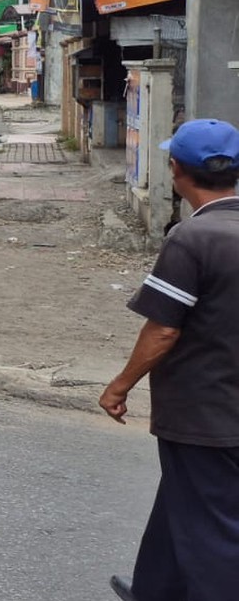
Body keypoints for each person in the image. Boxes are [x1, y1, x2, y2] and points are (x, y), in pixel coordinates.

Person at [101, 118, 239, 601]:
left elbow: (162, 329)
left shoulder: (192, 239)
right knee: (182, 504)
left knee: (214, 535)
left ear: (176, 169)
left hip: (206, 416)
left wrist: (119, 386)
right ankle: (156, 590)